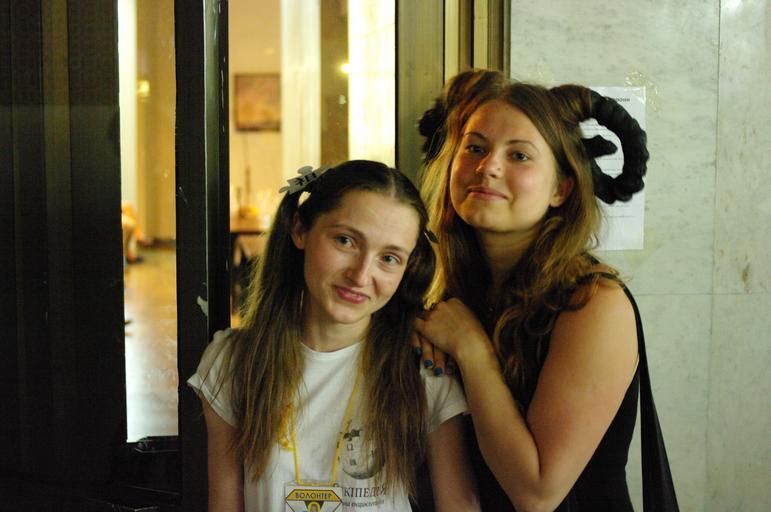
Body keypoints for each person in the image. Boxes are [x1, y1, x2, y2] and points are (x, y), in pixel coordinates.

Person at [413, 70, 649, 511]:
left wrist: (472, 349)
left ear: (561, 189)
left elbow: (537, 493)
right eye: (475, 147)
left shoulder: (594, 305)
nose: (488, 167)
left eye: (519, 155)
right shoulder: (445, 292)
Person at [188, 160, 480, 512]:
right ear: (300, 230)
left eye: (389, 258)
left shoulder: (423, 368)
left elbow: (459, 504)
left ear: (409, 267)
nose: (360, 275)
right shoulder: (233, 363)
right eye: (345, 241)